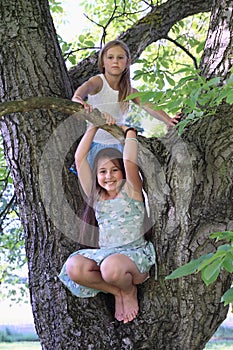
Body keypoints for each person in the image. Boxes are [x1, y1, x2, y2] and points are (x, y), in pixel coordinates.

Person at [59, 117, 156, 324]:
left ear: (122, 172)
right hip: (107, 258)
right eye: (102, 172)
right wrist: (94, 124)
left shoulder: (131, 190)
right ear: (97, 175)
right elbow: (80, 158)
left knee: (111, 268)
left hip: (133, 259)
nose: (108, 176)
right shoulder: (96, 196)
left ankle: (128, 289)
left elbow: (130, 161)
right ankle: (119, 293)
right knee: (74, 267)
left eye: (114, 170)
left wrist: (130, 132)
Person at [71, 39, 180, 170]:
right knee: (94, 183)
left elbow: (149, 106)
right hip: (95, 141)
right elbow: (82, 91)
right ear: (103, 62)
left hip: (118, 143)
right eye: (110, 57)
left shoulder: (129, 91)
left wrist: (168, 120)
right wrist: (78, 99)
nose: (115, 61)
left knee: (119, 183)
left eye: (120, 57)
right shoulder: (98, 81)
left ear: (127, 62)